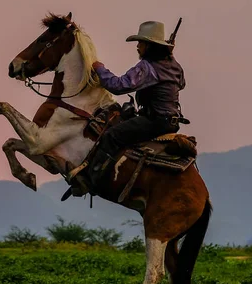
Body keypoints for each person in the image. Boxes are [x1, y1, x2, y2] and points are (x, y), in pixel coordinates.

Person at [75, 21, 187, 197]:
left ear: (149, 46)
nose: (137, 46)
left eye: (141, 43)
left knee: (111, 136)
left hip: (154, 121)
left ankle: (89, 180)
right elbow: (181, 84)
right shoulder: (175, 66)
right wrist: (169, 59)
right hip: (172, 122)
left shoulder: (147, 67)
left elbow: (119, 86)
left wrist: (99, 68)